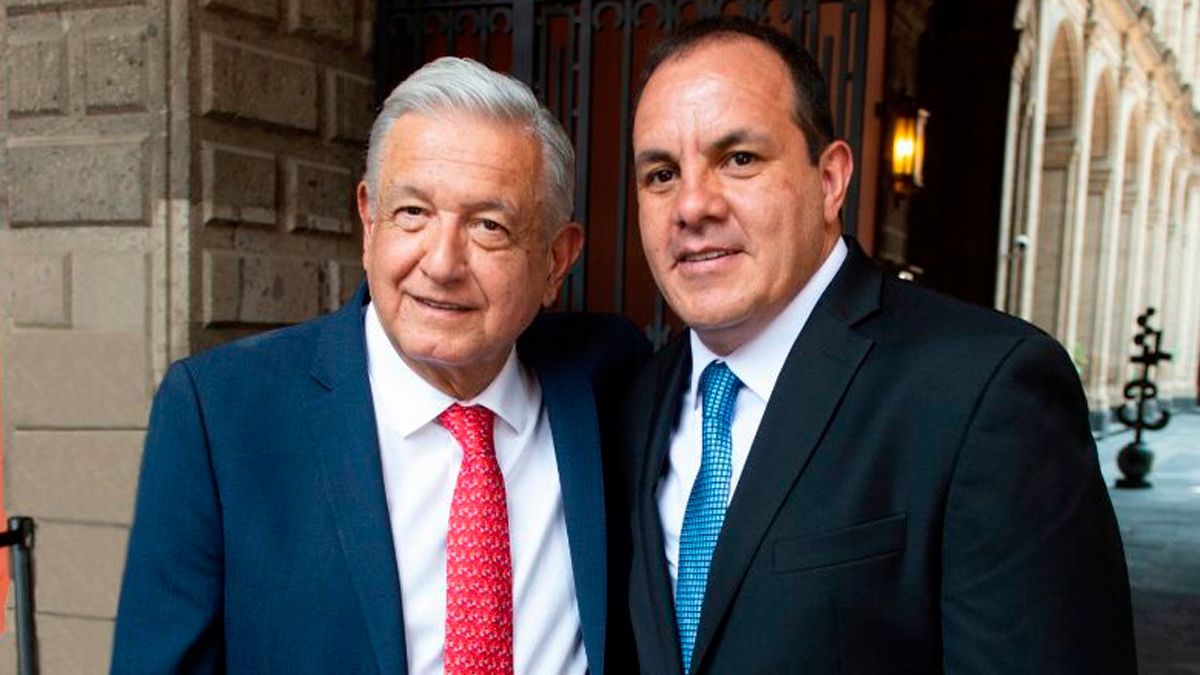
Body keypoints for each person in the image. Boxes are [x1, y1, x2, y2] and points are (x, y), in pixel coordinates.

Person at [621, 17, 1136, 674]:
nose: (692, 205)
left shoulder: (984, 391)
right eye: (661, 174)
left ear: (831, 179)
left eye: (739, 159)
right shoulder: (636, 400)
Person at [113, 57, 647, 674]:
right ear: (369, 222)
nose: (441, 264)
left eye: (489, 226)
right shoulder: (221, 415)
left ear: (556, 260)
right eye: (412, 213)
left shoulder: (608, 376)